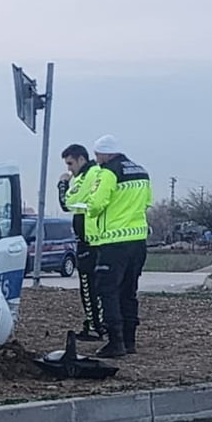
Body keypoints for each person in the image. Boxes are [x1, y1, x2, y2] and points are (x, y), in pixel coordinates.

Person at [69, 135, 152, 358]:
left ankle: (115, 343)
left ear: (104, 153)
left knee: (107, 291)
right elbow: (146, 202)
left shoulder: (108, 173)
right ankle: (130, 340)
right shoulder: (141, 171)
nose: (97, 160)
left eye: (97, 155)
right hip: (138, 241)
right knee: (129, 291)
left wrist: (86, 207)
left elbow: (96, 204)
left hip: (113, 242)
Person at [57, 144, 104, 341]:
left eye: (70, 163)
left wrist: (62, 185)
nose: (69, 169)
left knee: (89, 285)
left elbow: (66, 204)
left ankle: (95, 326)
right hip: (94, 238)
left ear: (81, 159)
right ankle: (96, 323)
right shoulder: (93, 173)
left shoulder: (88, 175)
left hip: (89, 240)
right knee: (96, 286)